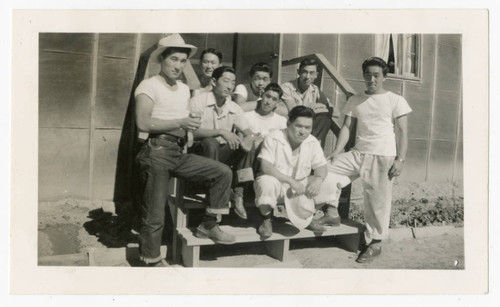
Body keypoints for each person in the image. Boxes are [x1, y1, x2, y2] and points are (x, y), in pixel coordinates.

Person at [134, 35, 236, 267]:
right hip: (156, 151)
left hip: (178, 152)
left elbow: (186, 121)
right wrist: (180, 122)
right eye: (174, 59)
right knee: (155, 214)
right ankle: (150, 260)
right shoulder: (149, 85)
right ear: (162, 59)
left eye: (183, 61)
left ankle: (208, 224)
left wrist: (189, 130)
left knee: (222, 172)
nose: (178, 66)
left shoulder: (182, 89)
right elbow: (142, 123)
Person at [326, 57, 412, 263]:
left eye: (376, 75)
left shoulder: (395, 99)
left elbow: (402, 132)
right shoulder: (355, 99)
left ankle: (375, 243)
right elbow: (347, 127)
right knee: (326, 170)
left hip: (382, 155)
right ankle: (331, 210)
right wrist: (337, 150)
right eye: (368, 75)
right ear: (363, 76)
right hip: (357, 153)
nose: (371, 79)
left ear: (384, 76)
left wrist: (400, 159)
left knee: (376, 201)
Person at [253, 106, 344, 237]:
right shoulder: (274, 137)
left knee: (330, 180)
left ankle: (307, 217)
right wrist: (290, 181)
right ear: (289, 123)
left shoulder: (311, 141)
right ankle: (266, 219)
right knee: (266, 181)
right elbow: (265, 167)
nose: (303, 132)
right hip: (278, 186)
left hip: (300, 188)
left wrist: (318, 180)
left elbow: (321, 167)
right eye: (299, 126)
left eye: (308, 128)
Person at [189, 66, 255, 220]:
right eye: (226, 81)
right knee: (210, 142)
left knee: (246, 147)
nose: (230, 86)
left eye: (233, 82)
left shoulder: (233, 107)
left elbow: (249, 132)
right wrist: (221, 131)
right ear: (213, 81)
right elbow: (191, 132)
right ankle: (214, 196)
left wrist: (248, 138)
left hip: (219, 156)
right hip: (198, 155)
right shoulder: (198, 101)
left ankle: (238, 193)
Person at [281, 58, 333, 148]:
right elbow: (294, 112)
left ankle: (311, 148)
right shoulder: (287, 87)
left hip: (305, 128)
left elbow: (336, 112)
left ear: (316, 75)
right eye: (304, 72)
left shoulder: (315, 90)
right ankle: (310, 147)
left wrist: (318, 106)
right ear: (298, 72)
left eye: (311, 73)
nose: (308, 76)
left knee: (325, 119)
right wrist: (311, 110)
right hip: (291, 127)